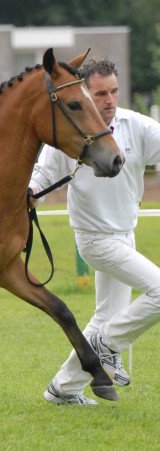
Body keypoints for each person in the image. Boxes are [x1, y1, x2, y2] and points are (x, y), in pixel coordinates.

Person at [29, 57, 160, 405]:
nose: (110, 100)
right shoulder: (69, 129)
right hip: (94, 240)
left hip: (125, 236)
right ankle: (106, 345)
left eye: (115, 91)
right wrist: (25, 200)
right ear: (86, 92)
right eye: (101, 93)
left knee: (107, 316)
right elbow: (40, 177)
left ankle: (63, 388)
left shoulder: (138, 126)